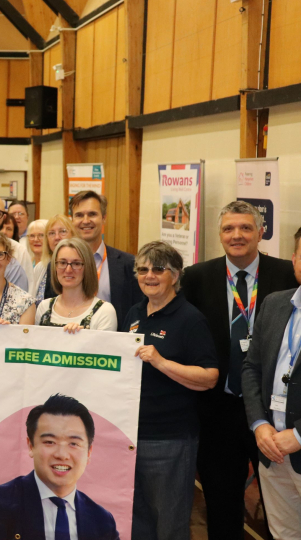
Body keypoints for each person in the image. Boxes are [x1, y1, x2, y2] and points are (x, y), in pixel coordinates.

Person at [181, 200, 296, 540]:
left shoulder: (287, 275)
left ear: (261, 232)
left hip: (273, 413)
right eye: (229, 228)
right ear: (219, 234)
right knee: (221, 506)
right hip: (218, 410)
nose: (237, 235)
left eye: (246, 228)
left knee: (283, 507)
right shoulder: (197, 277)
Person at [121, 240, 219, 540]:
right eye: (143, 269)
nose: (149, 276)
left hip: (170, 439)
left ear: (175, 276)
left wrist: (162, 362)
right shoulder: (134, 313)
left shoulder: (190, 319)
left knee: (170, 525)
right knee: (136, 520)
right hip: (131, 435)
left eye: (158, 269)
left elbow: (210, 377)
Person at [0, 394, 119, 540]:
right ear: (31, 446)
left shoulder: (102, 520)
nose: (62, 455)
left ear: (89, 452)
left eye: (73, 444)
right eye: (50, 442)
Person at [242, 226, 301, 540]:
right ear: (294, 260)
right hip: (271, 449)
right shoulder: (275, 304)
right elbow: (251, 369)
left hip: (297, 443)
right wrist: (259, 423)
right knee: (284, 534)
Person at [53, 191, 142, 327]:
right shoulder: (56, 265)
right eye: (79, 215)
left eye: (92, 214)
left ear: (104, 218)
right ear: (72, 220)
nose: (86, 220)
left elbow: (137, 312)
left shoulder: (128, 264)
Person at [36, 238, 117, 332]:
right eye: (62, 263)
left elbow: (102, 347)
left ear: (87, 267)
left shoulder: (104, 311)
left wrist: (81, 337)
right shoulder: (44, 308)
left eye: (76, 263)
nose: (68, 270)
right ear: (55, 267)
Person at [34, 214, 77, 303]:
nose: (57, 237)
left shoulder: (79, 266)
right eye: (52, 233)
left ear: (73, 235)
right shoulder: (41, 267)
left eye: (63, 231)